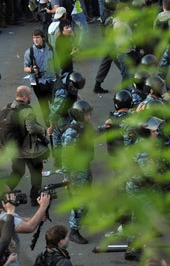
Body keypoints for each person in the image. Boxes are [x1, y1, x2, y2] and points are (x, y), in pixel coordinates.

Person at [4, 86, 49, 202]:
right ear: (25, 97)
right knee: (36, 172)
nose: (31, 97)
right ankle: (35, 197)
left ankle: (3, 193)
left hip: (15, 148)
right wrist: (43, 130)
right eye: (30, 95)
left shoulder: (9, 107)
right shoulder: (27, 111)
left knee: (17, 172)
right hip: (29, 149)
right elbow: (32, 128)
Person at [61, 100, 95, 244]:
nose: (89, 117)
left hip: (85, 168)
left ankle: (81, 220)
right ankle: (74, 231)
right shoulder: (71, 133)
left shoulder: (84, 127)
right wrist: (66, 177)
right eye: (87, 115)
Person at [23, 29, 57, 125]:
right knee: (43, 105)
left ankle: (56, 121)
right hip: (37, 82)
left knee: (54, 101)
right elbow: (25, 68)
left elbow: (57, 64)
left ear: (43, 38)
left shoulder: (51, 48)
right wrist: (32, 70)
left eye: (37, 37)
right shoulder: (29, 52)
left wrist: (59, 76)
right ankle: (48, 123)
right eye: (34, 38)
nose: (35, 40)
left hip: (51, 80)